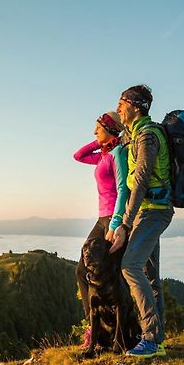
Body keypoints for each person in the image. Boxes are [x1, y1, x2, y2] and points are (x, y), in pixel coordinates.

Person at [110, 84, 173, 358]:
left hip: (153, 211)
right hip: (149, 211)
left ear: (136, 107)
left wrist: (124, 224)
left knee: (130, 266)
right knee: (149, 275)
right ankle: (157, 340)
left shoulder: (147, 137)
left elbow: (141, 182)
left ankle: (149, 337)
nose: (118, 108)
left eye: (121, 103)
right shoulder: (135, 134)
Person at [73, 111, 128, 348]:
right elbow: (78, 156)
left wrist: (116, 225)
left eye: (98, 128)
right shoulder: (104, 155)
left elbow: (123, 190)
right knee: (81, 270)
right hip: (101, 217)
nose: (94, 132)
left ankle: (123, 333)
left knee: (117, 276)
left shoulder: (117, 154)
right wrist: (100, 141)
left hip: (112, 219)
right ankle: (93, 328)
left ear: (109, 129)